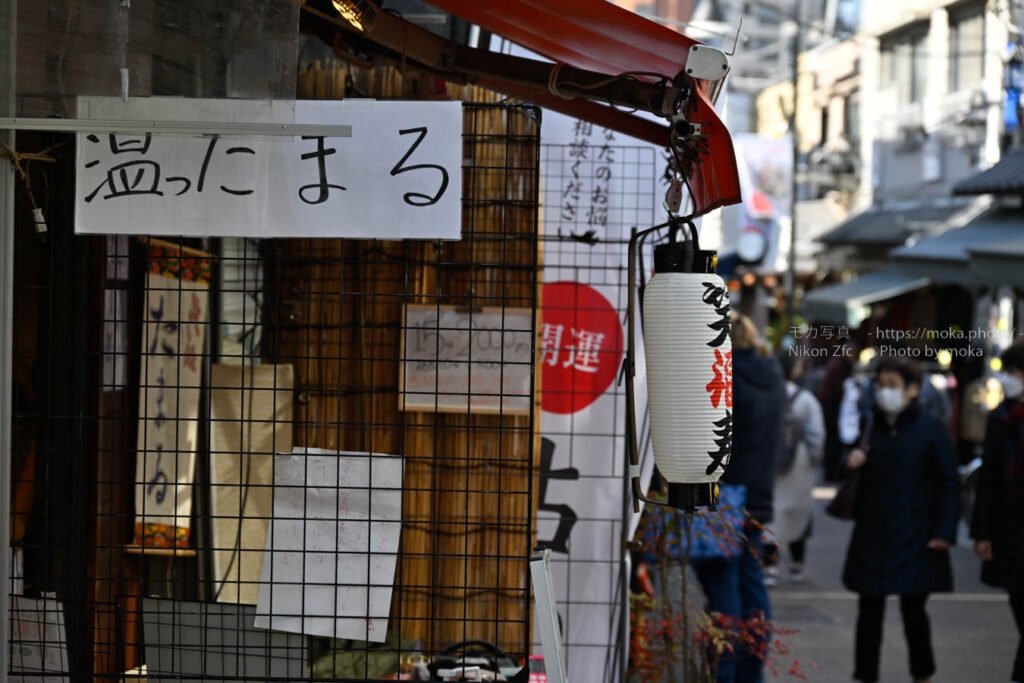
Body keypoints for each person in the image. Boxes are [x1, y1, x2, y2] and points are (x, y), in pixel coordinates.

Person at [842, 356, 959, 683]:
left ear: (912, 390)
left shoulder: (929, 429)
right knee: (869, 611)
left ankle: (922, 674)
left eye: (892, 386)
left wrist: (943, 531)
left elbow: (948, 482)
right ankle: (865, 676)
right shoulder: (869, 424)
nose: (884, 392)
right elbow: (846, 468)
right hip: (873, 533)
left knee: (914, 611)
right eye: (881, 385)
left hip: (916, 534)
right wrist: (850, 462)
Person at [693, 312, 786, 683]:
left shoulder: (723, 376)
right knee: (752, 586)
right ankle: (751, 674)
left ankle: (725, 674)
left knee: (723, 589)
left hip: (724, 493)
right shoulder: (773, 376)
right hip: (758, 494)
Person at [971, 340, 1024, 683]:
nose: (1008, 379)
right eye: (1007, 372)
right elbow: (988, 477)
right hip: (1009, 529)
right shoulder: (1000, 418)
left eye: (1014, 372)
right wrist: (982, 532)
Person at [766, 353, 825, 584]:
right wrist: (814, 461)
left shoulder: (767, 393)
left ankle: (769, 565)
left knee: (772, 514)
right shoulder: (805, 399)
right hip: (798, 462)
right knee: (798, 512)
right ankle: (797, 565)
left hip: (769, 459)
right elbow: (817, 435)